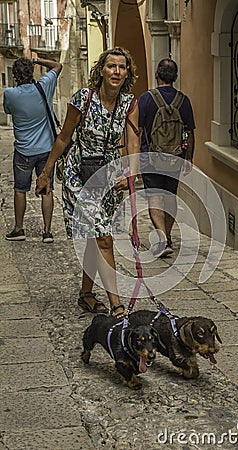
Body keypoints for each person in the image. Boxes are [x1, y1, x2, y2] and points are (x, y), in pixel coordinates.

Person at [35, 47, 140, 318]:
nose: (116, 71)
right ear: (101, 70)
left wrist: (130, 173)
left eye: (122, 67)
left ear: (127, 73)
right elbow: (63, 137)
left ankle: (86, 294)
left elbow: (132, 142)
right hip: (78, 176)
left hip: (108, 177)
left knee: (95, 238)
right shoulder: (83, 98)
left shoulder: (130, 103)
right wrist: (46, 173)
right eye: (111, 66)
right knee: (103, 237)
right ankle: (116, 303)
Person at [138, 58, 195, 257]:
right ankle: (167, 238)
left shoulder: (146, 99)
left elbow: (138, 130)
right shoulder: (183, 100)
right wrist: (188, 158)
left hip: (150, 157)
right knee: (170, 196)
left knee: (155, 197)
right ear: (176, 77)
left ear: (156, 74)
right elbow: (188, 132)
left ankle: (162, 240)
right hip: (175, 158)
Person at [3, 56, 62, 243]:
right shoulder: (44, 85)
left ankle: (19, 229)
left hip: (23, 151)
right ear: (32, 72)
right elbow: (58, 65)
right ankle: (47, 232)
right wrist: (38, 60)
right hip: (46, 150)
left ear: (15, 75)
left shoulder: (10, 94)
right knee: (47, 190)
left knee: (20, 190)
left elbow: (8, 111)